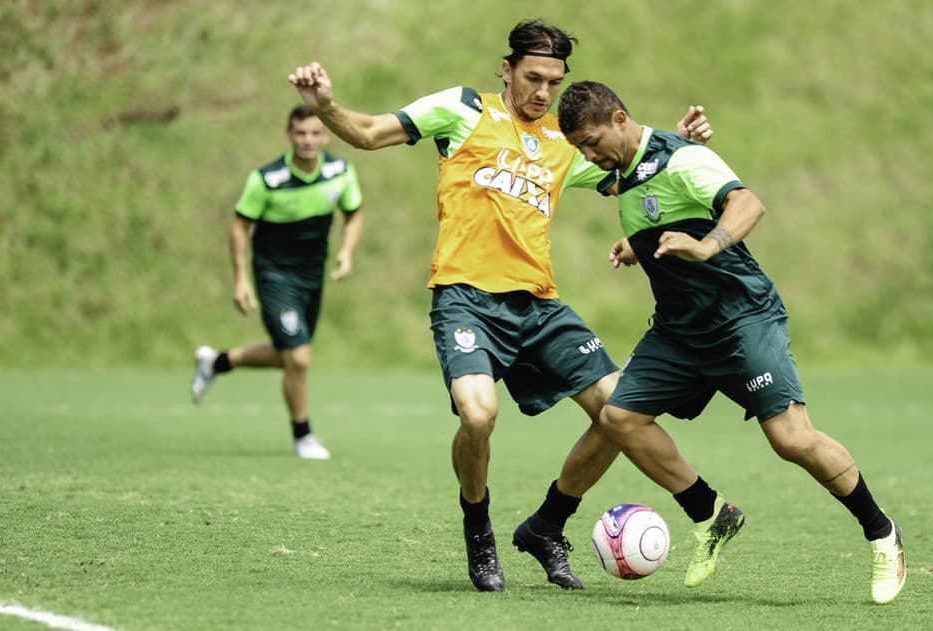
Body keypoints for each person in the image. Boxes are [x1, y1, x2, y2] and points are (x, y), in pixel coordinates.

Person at [287, 20, 714, 592]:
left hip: (539, 306)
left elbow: (630, 162)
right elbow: (367, 133)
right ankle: (479, 530)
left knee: (622, 412)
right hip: (465, 299)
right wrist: (329, 106)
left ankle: (547, 525)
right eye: (533, 77)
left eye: (554, 83)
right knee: (479, 415)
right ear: (507, 69)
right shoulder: (461, 110)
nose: (543, 92)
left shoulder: (566, 143)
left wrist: (678, 142)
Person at [556, 80, 906, 604]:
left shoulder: (686, 158)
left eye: (590, 141)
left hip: (741, 320)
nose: (587, 155)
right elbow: (654, 201)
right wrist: (640, 245)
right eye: (579, 148)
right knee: (619, 418)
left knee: (791, 438)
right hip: (678, 331)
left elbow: (747, 204)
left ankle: (882, 534)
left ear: (620, 119)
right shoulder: (622, 168)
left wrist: (705, 246)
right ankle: (710, 514)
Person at [190, 104, 365, 461]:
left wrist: (347, 251)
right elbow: (240, 226)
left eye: (315, 133)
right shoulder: (266, 179)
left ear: (326, 136)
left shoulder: (340, 172)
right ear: (289, 135)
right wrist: (241, 278)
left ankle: (216, 362)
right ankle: (304, 435)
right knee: (299, 358)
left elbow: (354, 213)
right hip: (275, 275)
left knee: (289, 355)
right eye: (300, 133)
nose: (308, 140)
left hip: (312, 277)